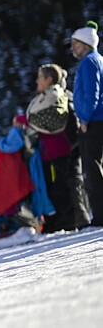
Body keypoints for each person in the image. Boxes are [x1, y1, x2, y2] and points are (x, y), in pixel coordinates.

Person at [19, 64, 91, 232]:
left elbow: (66, 125)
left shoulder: (61, 98)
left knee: (67, 187)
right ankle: (60, 221)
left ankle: (73, 222)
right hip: (50, 152)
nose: (37, 81)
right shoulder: (46, 99)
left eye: (40, 77)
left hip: (62, 152)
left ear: (50, 80)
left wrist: (71, 148)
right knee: (56, 188)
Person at [70, 21, 103, 226]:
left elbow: (91, 93)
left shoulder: (89, 62)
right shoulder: (97, 59)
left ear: (85, 44)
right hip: (97, 119)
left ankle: (100, 214)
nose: (72, 47)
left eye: (75, 43)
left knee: (92, 169)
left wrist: (84, 119)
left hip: (93, 121)